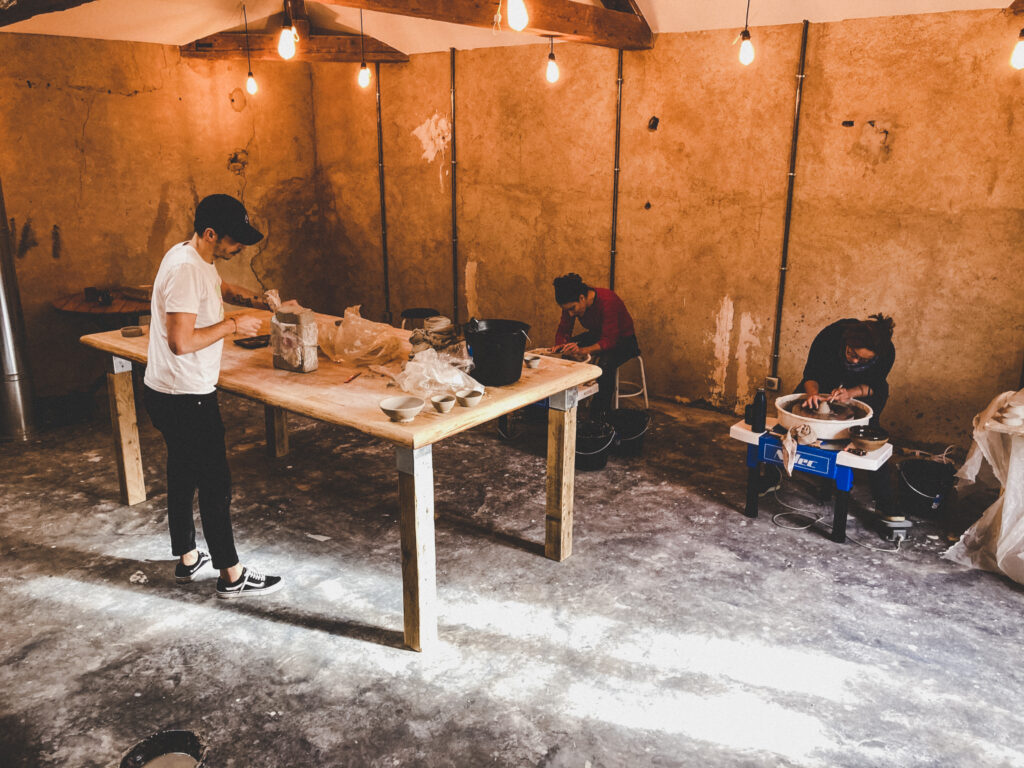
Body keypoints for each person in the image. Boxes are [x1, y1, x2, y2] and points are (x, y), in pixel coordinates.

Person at [143, 194, 282, 598]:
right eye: (234, 240)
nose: (239, 247)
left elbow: (217, 285)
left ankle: (188, 559)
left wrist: (253, 300)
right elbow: (181, 342)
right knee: (215, 482)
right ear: (210, 234)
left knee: (182, 473)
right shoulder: (185, 270)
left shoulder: (191, 256)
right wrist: (233, 325)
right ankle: (232, 575)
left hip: (169, 391)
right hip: (185, 395)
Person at [764, 314, 896, 513]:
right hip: (824, 378)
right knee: (790, 424)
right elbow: (811, 374)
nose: (854, 359)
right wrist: (813, 395)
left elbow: (876, 385)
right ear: (847, 342)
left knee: (868, 434)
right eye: (852, 353)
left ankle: (886, 504)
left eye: (861, 359)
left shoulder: (886, 353)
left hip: (861, 388)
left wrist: (850, 393)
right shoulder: (831, 336)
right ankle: (771, 477)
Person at [552, 273, 640, 418]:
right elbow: (564, 329)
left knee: (605, 364)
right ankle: (565, 406)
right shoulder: (571, 303)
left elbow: (610, 340)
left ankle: (599, 415)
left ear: (582, 298)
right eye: (567, 310)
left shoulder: (607, 301)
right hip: (597, 334)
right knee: (566, 352)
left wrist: (583, 350)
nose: (571, 313)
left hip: (624, 340)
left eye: (572, 308)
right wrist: (561, 345)